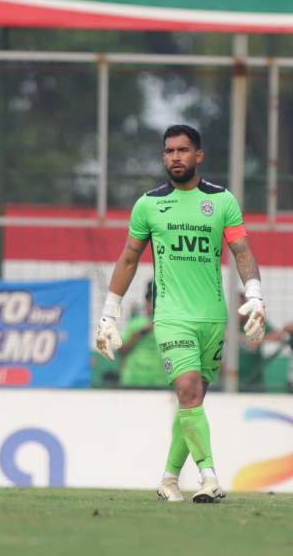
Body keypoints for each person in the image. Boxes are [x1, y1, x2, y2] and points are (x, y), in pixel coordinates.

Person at [94, 124, 266, 504]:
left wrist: (255, 295)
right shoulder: (148, 205)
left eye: (183, 150)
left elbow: (242, 251)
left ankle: (169, 479)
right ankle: (209, 477)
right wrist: (109, 314)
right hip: (171, 316)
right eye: (169, 151)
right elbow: (129, 258)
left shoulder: (222, 201)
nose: (175, 157)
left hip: (213, 318)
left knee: (193, 402)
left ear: (198, 155)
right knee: (187, 390)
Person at [118, 281, 169, 388]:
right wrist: (142, 332)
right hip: (133, 380)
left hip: (159, 381)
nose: (152, 306)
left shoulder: (168, 326)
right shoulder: (135, 323)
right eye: (150, 302)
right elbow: (121, 351)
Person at [236, 293, 282, 391]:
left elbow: (278, 335)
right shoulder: (228, 324)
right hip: (231, 381)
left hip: (254, 380)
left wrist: (259, 340)